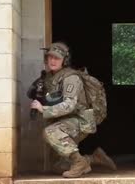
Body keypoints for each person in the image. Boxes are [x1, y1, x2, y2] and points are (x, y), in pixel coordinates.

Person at [30, 42, 116, 178]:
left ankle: (79, 162)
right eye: (50, 57)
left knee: (50, 132)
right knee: (58, 166)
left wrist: (43, 109)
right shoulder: (49, 77)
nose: (52, 61)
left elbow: (69, 105)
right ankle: (94, 158)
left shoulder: (71, 78)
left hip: (81, 120)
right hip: (66, 121)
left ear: (64, 60)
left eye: (57, 58)